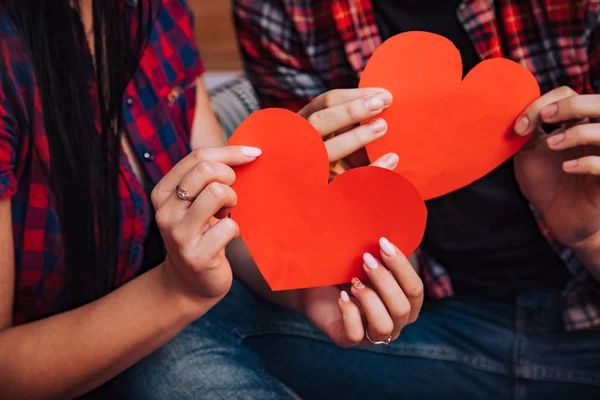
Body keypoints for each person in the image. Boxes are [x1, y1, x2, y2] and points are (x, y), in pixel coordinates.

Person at [0, 0, 416, 398]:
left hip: (199, 319)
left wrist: (306, 284)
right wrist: (176, 289)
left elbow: (230, 229)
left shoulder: (156, 13)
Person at [212, 0, 600, 398]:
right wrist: (344, 201)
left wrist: (590, 237)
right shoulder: (282, 11)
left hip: (588, 326)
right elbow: (338, 272)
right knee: (197, 320)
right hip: (428, 332)